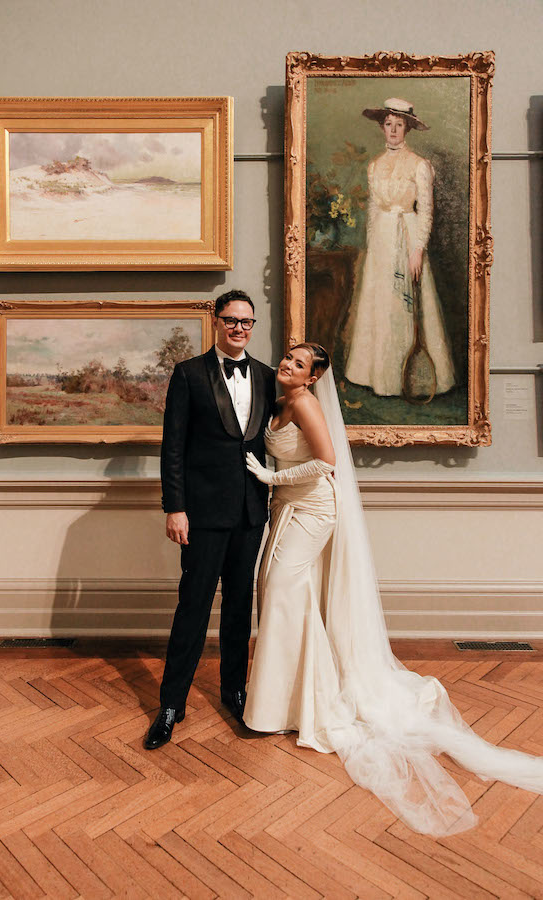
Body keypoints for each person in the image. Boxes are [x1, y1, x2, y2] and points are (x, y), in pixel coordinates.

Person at [244, 342, 543, 836]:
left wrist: (271, 475)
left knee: (281, 594)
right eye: (288, 358)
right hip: (286, 507)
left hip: (313, 508)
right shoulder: (279, 401)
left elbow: (327, 460)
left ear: (313, 377)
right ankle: (291, 700)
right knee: (289, 597)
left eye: (298, 363)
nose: (287, 365)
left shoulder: (306, 404)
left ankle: (295, 703)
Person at [145, 289, 276, 750]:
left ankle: (235, 692)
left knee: (240, 608)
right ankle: (170, 704)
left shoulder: (267, 376)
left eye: (246, 321)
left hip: (250, 513)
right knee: (193, 608)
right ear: (216, 322)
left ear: (252, 326)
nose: (239, 328)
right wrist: (174, 507)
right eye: (231, 320)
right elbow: (173, 447)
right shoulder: (188, 374)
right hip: (200, 515)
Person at [344, 98, 456, 397]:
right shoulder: (375, 165)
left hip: (407, 233)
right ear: (382, 128)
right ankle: (379, 376)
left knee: (406, 303)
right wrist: (372, 245)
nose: (393, 130)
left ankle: (412, 377)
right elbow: (373, 208)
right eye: (389, 124)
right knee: (381, 302)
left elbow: (426, 210)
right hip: (382, 238)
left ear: (407, 129)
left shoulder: (420, 165)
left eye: (399, 125)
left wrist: (417, 249)